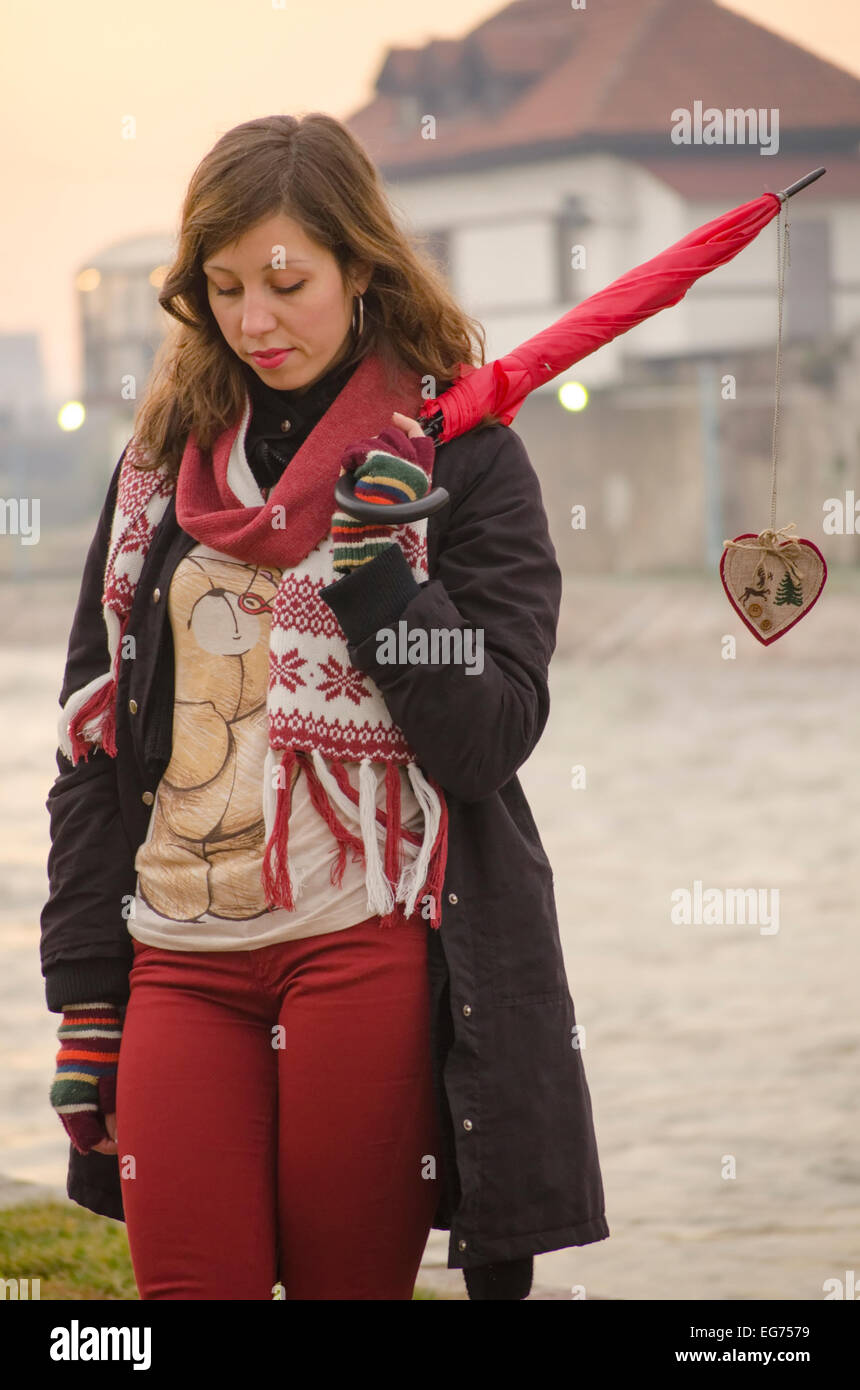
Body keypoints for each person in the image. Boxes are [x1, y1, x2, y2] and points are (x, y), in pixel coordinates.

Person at [40, 112, 609, 1301]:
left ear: (361, 267)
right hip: (179, 959)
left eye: (289, 282)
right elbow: (91, 747)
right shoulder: (161, 462)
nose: (255, 320)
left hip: (363, 953)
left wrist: (379, 567)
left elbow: (490, 733)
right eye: (226, 286)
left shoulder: (466, 459)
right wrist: (87, 994)